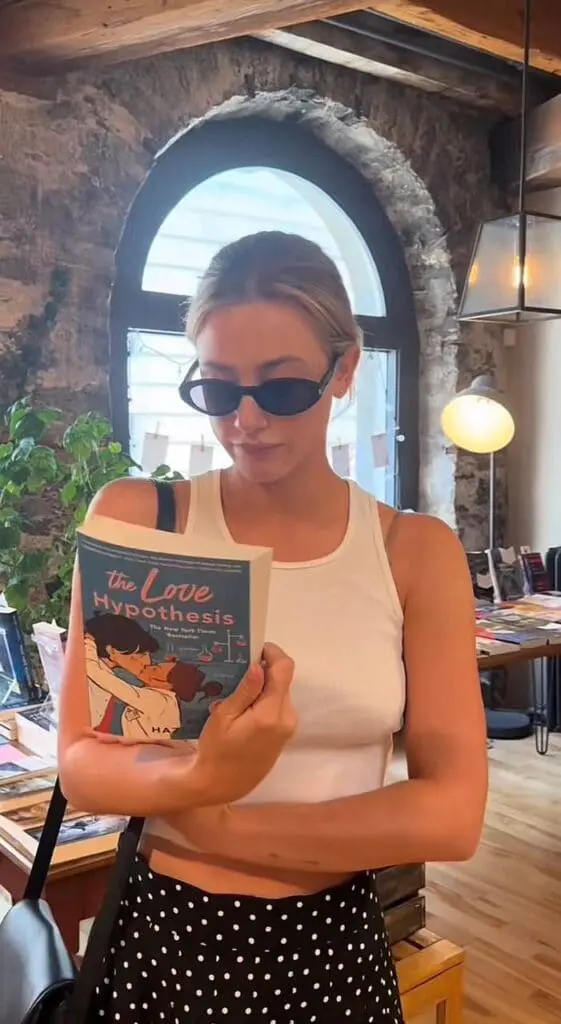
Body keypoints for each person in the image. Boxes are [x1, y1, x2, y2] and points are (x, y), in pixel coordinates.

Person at [59, 231, 488, 1024]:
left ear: (344, 370)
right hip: (166, 942)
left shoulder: (413, 553)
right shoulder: (142, 520)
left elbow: (452, 814)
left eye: (283, 388)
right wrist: (202, 778)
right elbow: (84, 765)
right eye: (218, 390)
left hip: (333, 945)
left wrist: (217, 822)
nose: (246, 420)